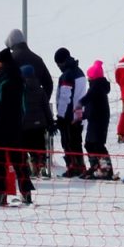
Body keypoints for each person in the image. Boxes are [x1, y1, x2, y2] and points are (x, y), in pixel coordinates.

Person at [0, 49, 35, 205]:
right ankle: (26, 193)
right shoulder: (19, 78)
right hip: (16, 127)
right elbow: (23, 105)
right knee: (19, 161)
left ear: (2, 62)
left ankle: (0, 194)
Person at [5, 29, 55, 175]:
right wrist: (42, 101)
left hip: (18, 113)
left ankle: (24, 167)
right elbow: (49, 83)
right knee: (38, 141)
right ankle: (39, 164)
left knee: (21, 142)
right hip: (39, 117)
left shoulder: (11, 60)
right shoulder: (37, 59)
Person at [54, 48, 89, 176]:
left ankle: (73, 166)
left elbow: (65, 97)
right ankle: (80, 165)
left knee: (68, 142)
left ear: (61, 62)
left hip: (69, 115)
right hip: (79, 113)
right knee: (76, 141)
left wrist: (60, 116)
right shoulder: (79, 72)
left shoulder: (67, 75)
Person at [82, 60, 115, 177]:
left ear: (93, 77)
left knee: (98, 145)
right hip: (94, 120)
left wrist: (79, 104)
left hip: (99, 121)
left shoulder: (96, 87)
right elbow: (90, 105)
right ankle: (96, 166)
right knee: (90, 144)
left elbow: (87, 99)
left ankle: (106, 169)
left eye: (89, 76)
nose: (88, 78)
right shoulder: (96, 86)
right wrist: (83, 115)